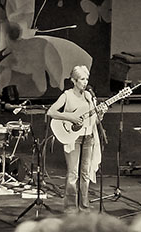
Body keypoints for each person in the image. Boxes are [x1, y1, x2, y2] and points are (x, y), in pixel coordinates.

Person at [47, 65, 107, 213]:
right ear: (74, 81)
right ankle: (70, 207)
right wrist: (71, 116)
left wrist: (102, 113)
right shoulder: (67, 95)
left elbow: (95, 122)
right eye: (82, 79)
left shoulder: (89, 97)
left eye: (86, 79)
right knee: (73, 173)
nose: (85, 82)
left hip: (88, 137)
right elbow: (51, 112)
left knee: (85, 173)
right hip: (73, 138)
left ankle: (84, 206)